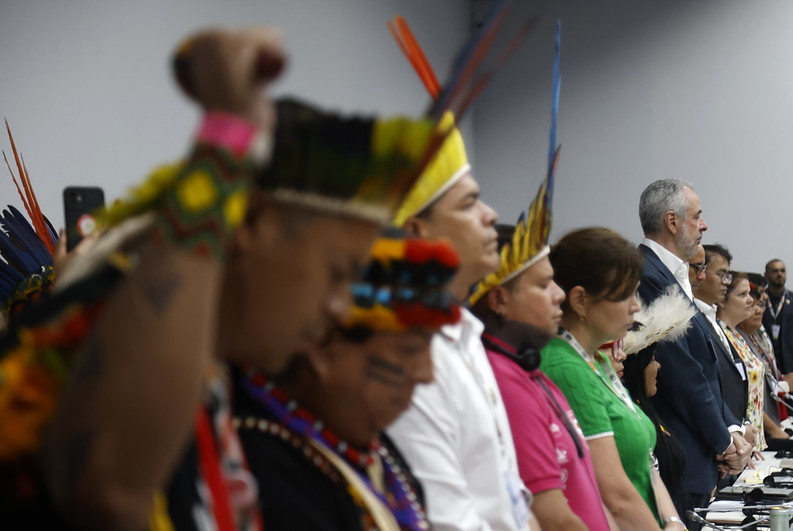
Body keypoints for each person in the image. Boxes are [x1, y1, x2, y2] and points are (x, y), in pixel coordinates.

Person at [2, 27, 448, 529]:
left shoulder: (216, 369)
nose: (341, 307)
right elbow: (112, 491)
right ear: (251, 226)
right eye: (336, 273)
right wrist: (226, 141)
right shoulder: (110, 318)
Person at [385, 22, 535, 531]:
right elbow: (451, 520)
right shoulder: (406, 349)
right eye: (470, 203)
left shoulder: (464, 332)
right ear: (417, 229)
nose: (492, 215)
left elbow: (509, 492)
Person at [233, 233, 461, 530]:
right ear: (321, 344)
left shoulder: (376, 451)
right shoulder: (262, 466)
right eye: (410, 351)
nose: (427, 375)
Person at [469, 153, 615, 530]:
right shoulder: (502, 380)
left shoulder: (529, 371)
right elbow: (554, 519)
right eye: (541, 284)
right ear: (499, 299)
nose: (559, 295)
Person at [541, 227, 684, 531]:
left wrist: (672, 521)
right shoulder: (566, 367)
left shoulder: (598, 360)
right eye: (625, 294)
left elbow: (647, 462)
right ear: (580, 300)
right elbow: (614, 494)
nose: (636, 305)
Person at [636, 179, 751, 509]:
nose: (704, 225)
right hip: (681, 447)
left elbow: (705, 369)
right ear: (672, 222)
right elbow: (681, 373)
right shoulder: (649, 274)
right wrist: (725, 441)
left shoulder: (671, 274)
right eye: (697, 216)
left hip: (698, 451)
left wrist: (729, 429)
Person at [620, 285, 697, 530]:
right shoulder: (635, 413)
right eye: (652, 360)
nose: (659, 367)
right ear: (635, 369)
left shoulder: (647, 410)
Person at [693, 244, 747, 428]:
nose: (726, 282)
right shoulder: (691, 320)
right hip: (716, 432)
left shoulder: (712, 318)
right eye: (721, 274)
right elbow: (701, 385)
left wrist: (743, 422)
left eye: (728, 276)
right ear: (700, 272)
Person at [740, 274, 791, 448]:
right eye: (754, 301)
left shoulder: (753, 333)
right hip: (748, 435)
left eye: (761, 302)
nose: (759, 308)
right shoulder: (735, 336)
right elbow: (743, 395)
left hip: (760, 431)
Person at [717, 272, 766, 452]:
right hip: (739, 444)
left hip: (752, 442)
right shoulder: (721, 336)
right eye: (742, 295)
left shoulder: (737, 335)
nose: (750, 301)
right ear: (722, 300)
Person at [762, 259, 793, 379]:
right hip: (766, 363)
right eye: (775, 271)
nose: (779, 274)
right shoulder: (759, 300)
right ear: (766, 275)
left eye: (782, 271)